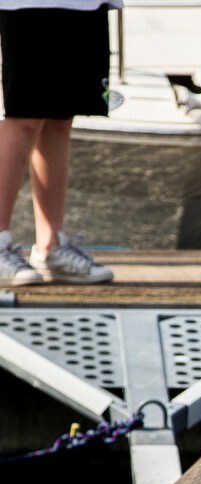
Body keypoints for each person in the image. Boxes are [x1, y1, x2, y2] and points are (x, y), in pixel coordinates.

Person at [0, 0, 119, 287]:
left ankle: (51, 245)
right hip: (21, 6)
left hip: (82, 6)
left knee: (61, 117)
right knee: (23, 116)